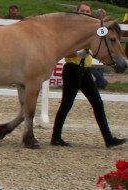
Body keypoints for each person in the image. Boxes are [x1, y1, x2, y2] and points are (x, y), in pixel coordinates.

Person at [50, 2, 127, 148]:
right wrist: (79, 53)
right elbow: (64, 49)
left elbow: (102, 39)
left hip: (85, 70)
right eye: (82, 10)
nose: (85, 12)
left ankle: (109, 139)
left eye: (88, 10)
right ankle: (56, 137)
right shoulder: (72, 30)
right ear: (77, 11)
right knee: (66, 104)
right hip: (72, 69)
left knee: (97, 103)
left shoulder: (92, 30)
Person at [90, 8, 109, 89]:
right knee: (93, 66)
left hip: (100, 48)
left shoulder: (103, 25)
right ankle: (101, 81)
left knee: (98, 66)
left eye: (104, 15)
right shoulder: (95, 24)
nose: (104, 16)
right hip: (95, 47)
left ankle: (100, 82)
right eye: (102, 15)